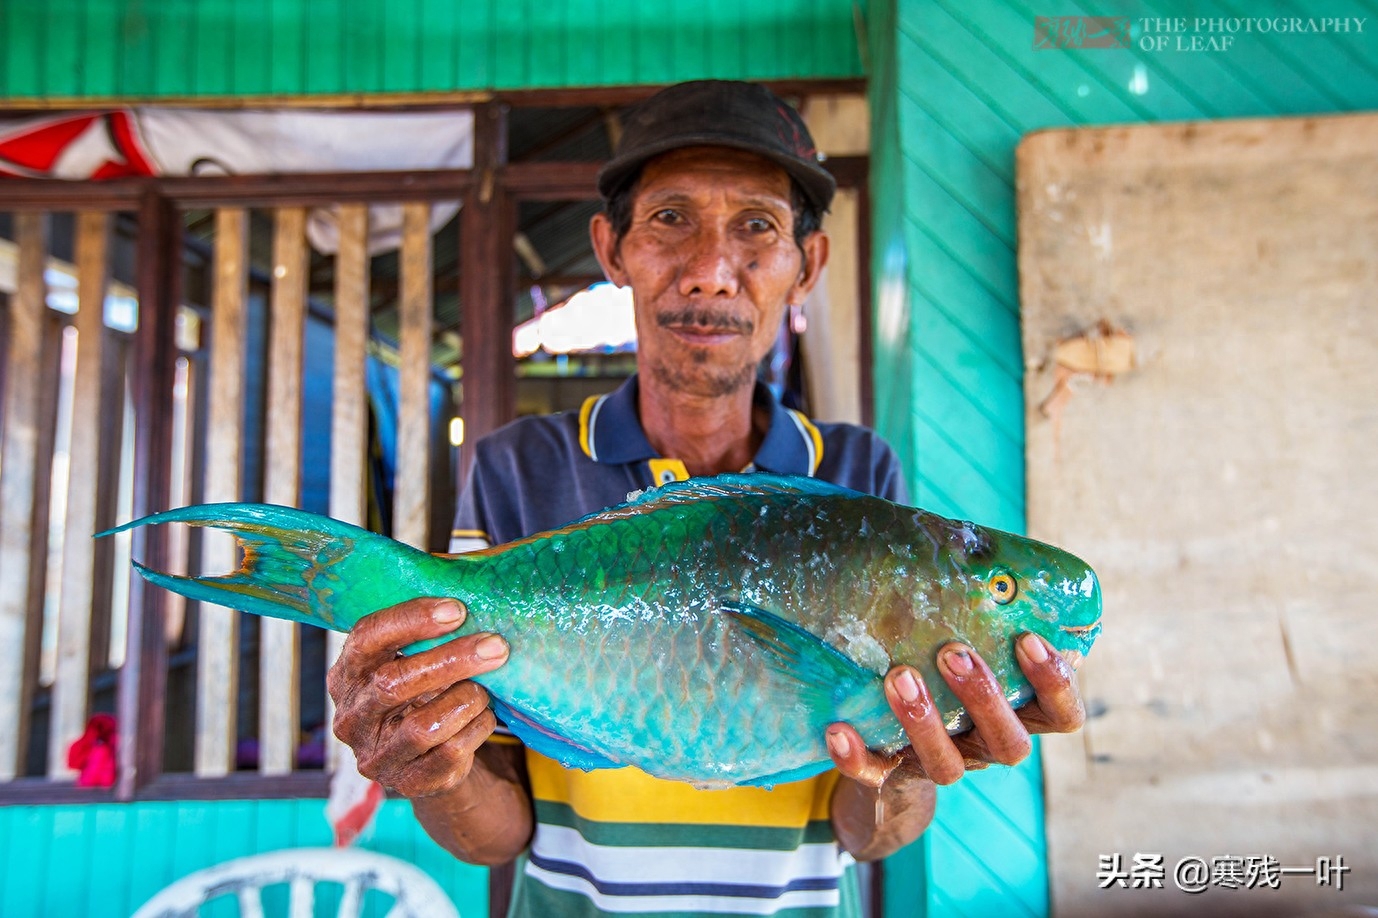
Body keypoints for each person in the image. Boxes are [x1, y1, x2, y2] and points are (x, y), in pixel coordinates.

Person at [327, 80, 1086, 916]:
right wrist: (432, 764)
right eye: (671, 219)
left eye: (757, 227)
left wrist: (909, 764)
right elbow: (497, 832)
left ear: (809, 265)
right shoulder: (520, 467)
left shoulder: (858, 478)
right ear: (612, 249)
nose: (709, 272)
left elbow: (866, 831)